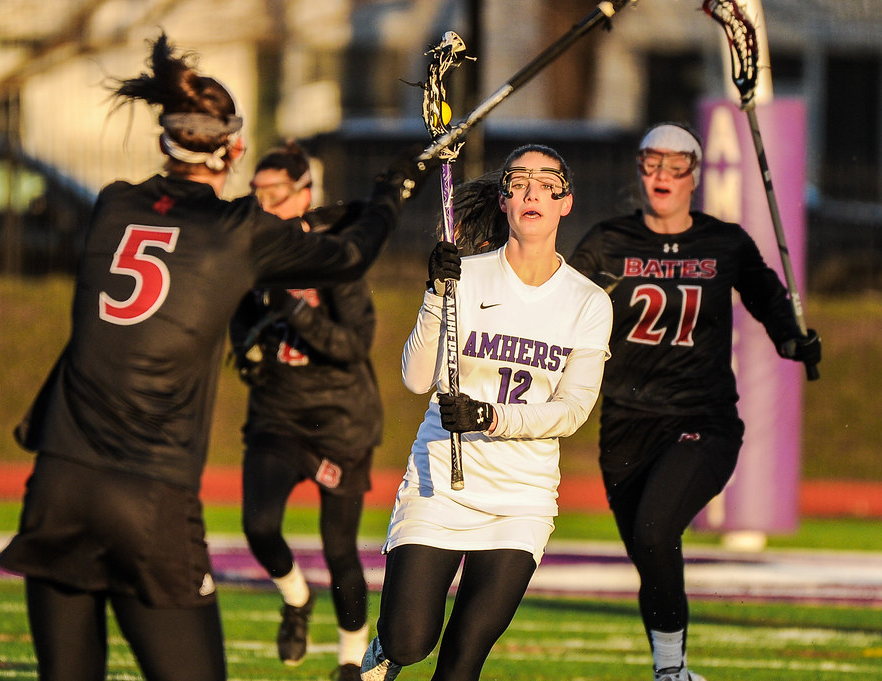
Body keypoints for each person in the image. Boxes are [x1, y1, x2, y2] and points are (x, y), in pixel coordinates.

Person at [0, 33, 436, 681]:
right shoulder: (239, 233)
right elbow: (349, 255)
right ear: (232, 149)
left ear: (163, 141)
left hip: (59, 478)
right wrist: (390, 193)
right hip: (149, 492)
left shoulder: (112, 206)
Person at [567, 122, 822, 681]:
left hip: (701, 420)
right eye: (652, 163)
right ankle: (670, 670)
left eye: (674, 165)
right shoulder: (608, 241)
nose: (661, 175)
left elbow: (767, 296)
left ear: (694, 175)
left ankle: (671, 671)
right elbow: (555, 299)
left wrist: (792, 336)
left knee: (656, 532)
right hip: (626, 424)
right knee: (648, 551)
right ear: (639, 169)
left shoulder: (723, 241)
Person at [360, 145, 614, 681]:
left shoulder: (588, 302)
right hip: (441, 485)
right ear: (504, 201)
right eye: (519, 181)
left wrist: (493, 418)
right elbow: (414, 377)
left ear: (566, 202)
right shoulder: (464, 276)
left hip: (521, 500)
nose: (532, 192)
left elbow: (572, 410)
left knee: (461, 665)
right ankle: (385, 646)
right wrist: (435, 294)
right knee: (409, 641)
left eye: (547, 183)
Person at [229, 142, 382, 681]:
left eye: (275, 195)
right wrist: (244, 341)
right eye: (258, 194)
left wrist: (292, 307)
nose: (265, 206)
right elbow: (239, 317)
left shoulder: (333, 254)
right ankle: (296, 597)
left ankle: (350, 660)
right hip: (277, 413)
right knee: (258, 524)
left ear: (304, 194)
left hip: (339, 420)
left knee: (340, 549)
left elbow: (354, 344)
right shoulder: (252, 251)